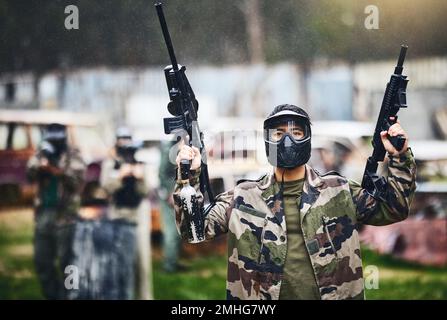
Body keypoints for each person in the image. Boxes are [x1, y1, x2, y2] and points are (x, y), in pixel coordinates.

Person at [173, 104, 417, 300]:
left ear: (307, 139)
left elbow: (394, 208)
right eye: (278, 134)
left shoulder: (339, 192)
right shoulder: (242, 196)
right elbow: (193, 231)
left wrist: (400, 156)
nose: (287, 140)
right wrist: (188, 177)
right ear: (268, 140)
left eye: (296, 132)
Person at [27, 123, 86, 299]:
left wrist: (56, 170)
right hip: (44, 214)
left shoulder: (73, 155)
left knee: (69, 263)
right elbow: (28, 174)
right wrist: (39, 165)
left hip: (66, 217)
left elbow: (77, 182)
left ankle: (72, 296)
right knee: (42, 261)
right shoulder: (41, 152)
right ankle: (54, 296)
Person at [98, 127, 148, 299]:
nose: (125, 142)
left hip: (138, 214)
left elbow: (146, 191)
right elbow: (105, 187)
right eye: (122, 138)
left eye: (128, 138)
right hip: (117, 213)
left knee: (142, 263)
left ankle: (144, 296)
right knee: (118, 261)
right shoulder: (111, 163)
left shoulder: (139, 162)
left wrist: (140, 178)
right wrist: (120, 177)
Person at [158, 139, 183, 273]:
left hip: (175, 195)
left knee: (177, 232)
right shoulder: (169, 150)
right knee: (170, 232)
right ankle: (169, 266)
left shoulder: (175, 149)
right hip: (168, 198)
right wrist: (169, 194)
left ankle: (173, 262)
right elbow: (162, 174)